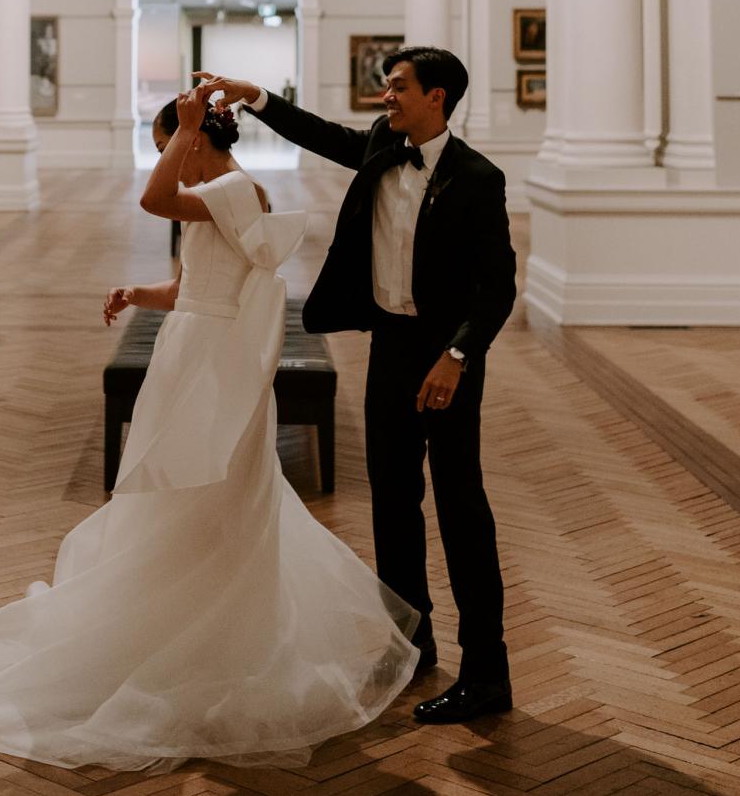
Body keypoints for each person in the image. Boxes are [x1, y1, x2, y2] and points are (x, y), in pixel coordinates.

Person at [0, 84, 420, 771]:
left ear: (198, 139)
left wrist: (177, 132)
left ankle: (214, 633)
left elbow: (153, 201)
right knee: (170, 487)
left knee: (215, 486)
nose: (167, 160)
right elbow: (189, 286)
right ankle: (176, 617)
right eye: (160, 149)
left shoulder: (236, 190)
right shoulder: (217, 196)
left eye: (172, 146)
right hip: (190, 347)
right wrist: (138, 294)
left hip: (212, 361)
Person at [195, 47, 516, 724]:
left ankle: (488, 672)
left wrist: (457, 355)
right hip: (393, 348)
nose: (386, 99)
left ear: (437, 97)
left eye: (397, 88)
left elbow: (497, 289)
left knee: (462, 509)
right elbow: (319, 132)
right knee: (393, 505)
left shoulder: (479, 179)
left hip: (447, 361)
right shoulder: (379, 145)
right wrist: (254, 95)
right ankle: (409, 643)